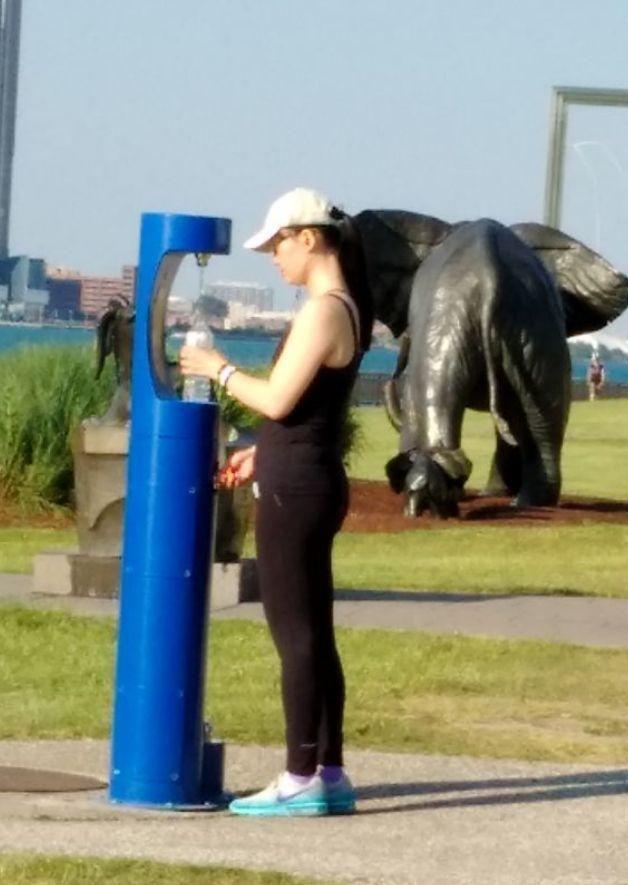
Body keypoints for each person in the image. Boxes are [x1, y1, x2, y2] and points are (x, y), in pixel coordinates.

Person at [180, 187, 373, 817]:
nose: (272, 257)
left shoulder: (322, 310)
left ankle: (298, 778)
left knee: (294, 635)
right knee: (316, 632)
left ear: (310, 238)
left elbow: (279, 400)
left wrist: (217, 368)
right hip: (306, 476)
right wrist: (265, 453)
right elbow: (309, 413)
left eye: (277, 244)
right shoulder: (348, 307)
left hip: (297, 492)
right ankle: (331, 772)